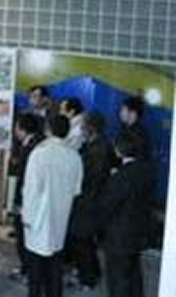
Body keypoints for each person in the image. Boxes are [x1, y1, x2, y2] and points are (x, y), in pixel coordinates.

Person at [22, 115, 83, 297]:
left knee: (35, 269)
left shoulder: (39, 153)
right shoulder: (74, 156)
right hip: (61, 217)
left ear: (48, 129)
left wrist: (27, 217)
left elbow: (31, 190)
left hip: (38, 220)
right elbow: (76, 190)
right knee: (56, 264)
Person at [97, 132, 153, 297]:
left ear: (119, 150)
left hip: (119, 236)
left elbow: (106, 206)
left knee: (118, 279)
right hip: (138, 231)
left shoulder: (120, 177)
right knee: (134, 274)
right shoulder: (146, 171)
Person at [69, 113, 112, 289]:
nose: (81, 129)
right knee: (85, 241)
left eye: (83, 126)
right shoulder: (95, 145)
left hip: (89, 202)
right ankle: (93, 271)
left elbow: (91, 178)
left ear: (91, 128)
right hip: (88, 200)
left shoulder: (98, 150)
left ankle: (87, 279)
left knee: (82, 240)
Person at [9, 113, 44, 283]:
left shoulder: (31, 148)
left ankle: (28, 272)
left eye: (16, 127)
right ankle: (27, 269)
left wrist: (18, 203)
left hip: (26, 200)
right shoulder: (35, 144)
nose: (15, 130)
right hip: (30, 200)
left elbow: (25, 179)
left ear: (22, 129)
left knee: (24, 237)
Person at [118, 96, 150, 163]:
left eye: (123, 110)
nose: (120, 113)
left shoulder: (137, 136)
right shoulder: (127, 130)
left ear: (133, 114)